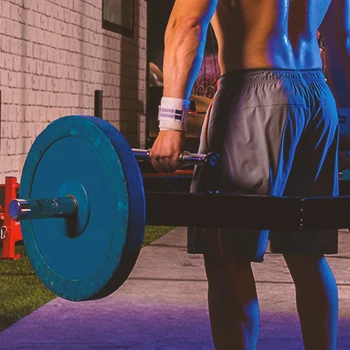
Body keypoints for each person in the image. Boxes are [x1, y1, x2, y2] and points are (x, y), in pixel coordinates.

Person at [149, 0, 350, 349]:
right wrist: (345, 120)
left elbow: (187, 23)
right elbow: (339, 38)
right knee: (307, 253)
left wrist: (170, 124)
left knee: (227, 253)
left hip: (254, 92)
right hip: (319, 99)